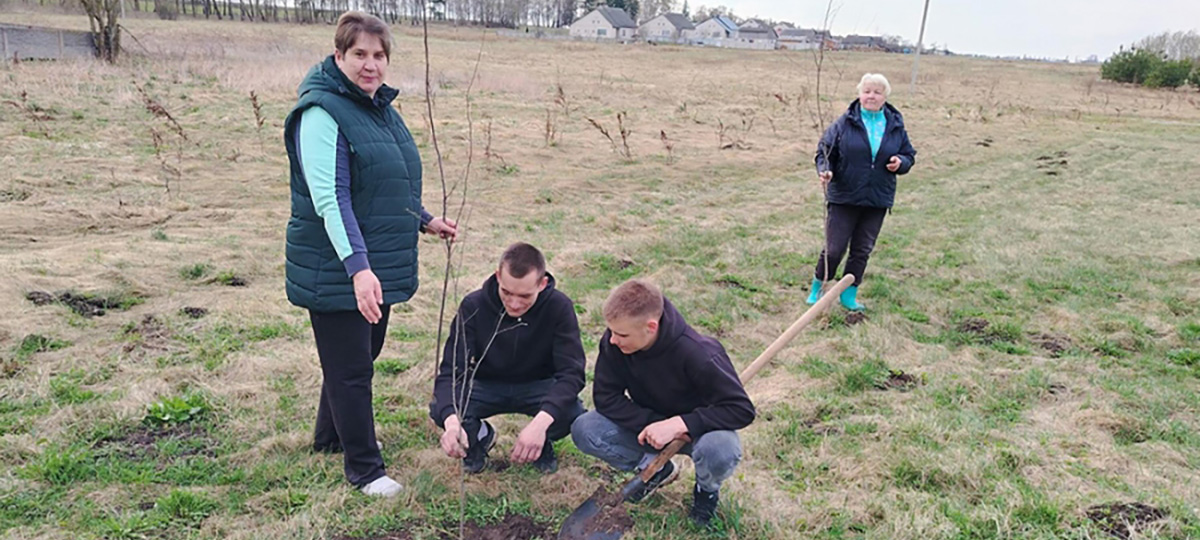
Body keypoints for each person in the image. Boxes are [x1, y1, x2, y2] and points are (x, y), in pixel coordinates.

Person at [282, 11, 457, 498]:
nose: (371, 64)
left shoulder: (376, 107)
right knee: (351, 369)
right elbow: (331, 199)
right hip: (337, 265)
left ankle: (330, 437)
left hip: (371, 260)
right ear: (338, 55)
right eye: (359, 54)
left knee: (358, 357)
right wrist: (358, 269)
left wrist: (425, 219)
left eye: (379, 55)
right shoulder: (321, 113)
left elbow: (386, 180)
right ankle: (364, 469)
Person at [571, 279, 755, 526]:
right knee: (586, 428)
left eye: (622, 334)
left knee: (720, 449)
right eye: (611, 331)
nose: (613, 340)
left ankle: (706, 490)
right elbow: (606, 397)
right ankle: (656, 469)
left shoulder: (699, 353)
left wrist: (681, 424)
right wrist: (655, 425)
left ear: (651, 327)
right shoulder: (615, 343)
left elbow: (741, 410)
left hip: (700, 433)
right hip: (648, 429)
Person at [430, 243, 586, 475]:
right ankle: (478, 436)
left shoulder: (559, 307)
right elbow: (451, 373)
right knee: (441, 407)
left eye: (524, 296)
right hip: (485, 386)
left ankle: (539, 442)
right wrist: (452, 424)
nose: (514, 304)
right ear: (498, 276)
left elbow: (572, 374)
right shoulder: (473, 306)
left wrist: (540, 425)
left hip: (539, 386)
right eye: (507, 292)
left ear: (542, 284)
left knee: (571, 413)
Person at [809, 72, 917, 311]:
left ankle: (849, 295)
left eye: (877, 92)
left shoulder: (895, 125)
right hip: (844, 195)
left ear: (885, 97)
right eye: (867, 91)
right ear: (859, 94)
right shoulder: (844, 123)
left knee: (861, 250)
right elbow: (825, 151)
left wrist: (901, 162)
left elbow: (909, 155)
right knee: (834, 248)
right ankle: (818, 287)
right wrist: (825, 170)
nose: (871, 96)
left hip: (877, 198)